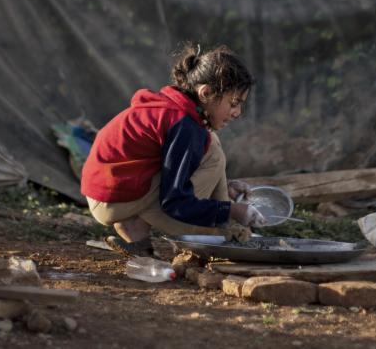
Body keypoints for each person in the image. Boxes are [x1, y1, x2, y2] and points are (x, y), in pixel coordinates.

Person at [81, 42, 266, 256]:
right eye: (233, 103)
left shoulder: (176, 110)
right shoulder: (185, 127)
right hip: (112, 200)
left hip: (108, 191)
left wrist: (225, 188)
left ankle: (137, 226)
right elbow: (175, 202)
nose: (237, 112)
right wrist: (230, 210)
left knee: (211, 144)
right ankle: (140, 222)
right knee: (212, 156)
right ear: (205, 93)